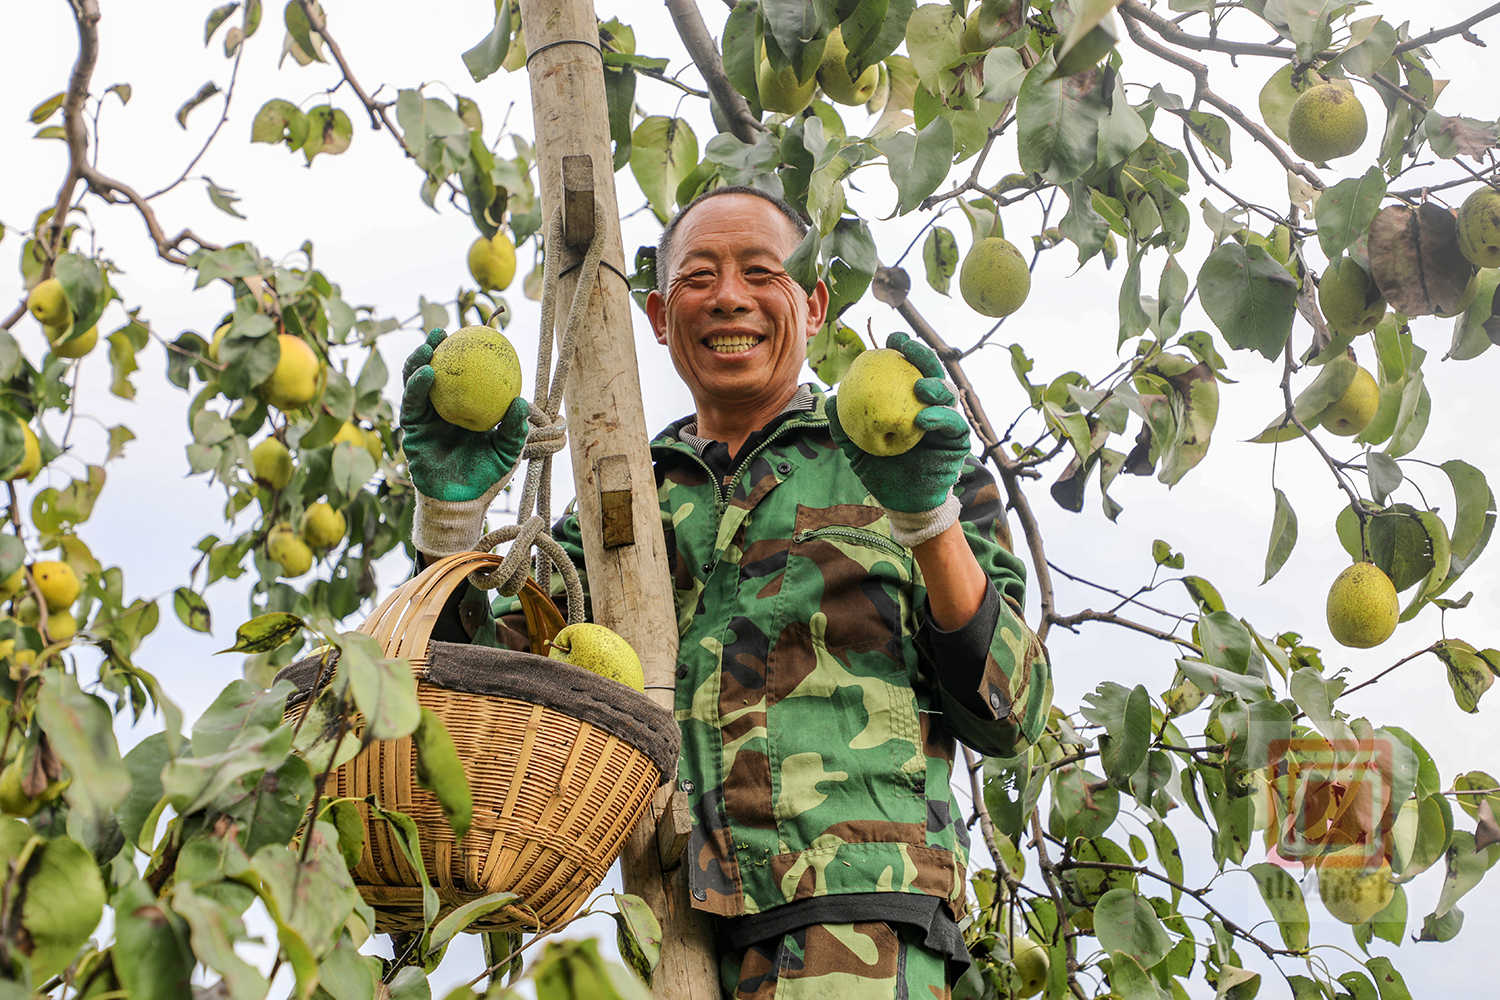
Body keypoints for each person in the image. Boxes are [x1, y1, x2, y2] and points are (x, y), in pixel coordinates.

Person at [401, 187, 1052, 999]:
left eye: (759, 271)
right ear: (659, 317)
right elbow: (476, 702)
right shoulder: (622, 502)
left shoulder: (910, 467)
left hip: (855, 929)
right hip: (663, 931)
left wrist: (926, 518)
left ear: (813, 305)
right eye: (699, 276)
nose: (730, 297)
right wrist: (451, 522)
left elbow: (1009, 713)